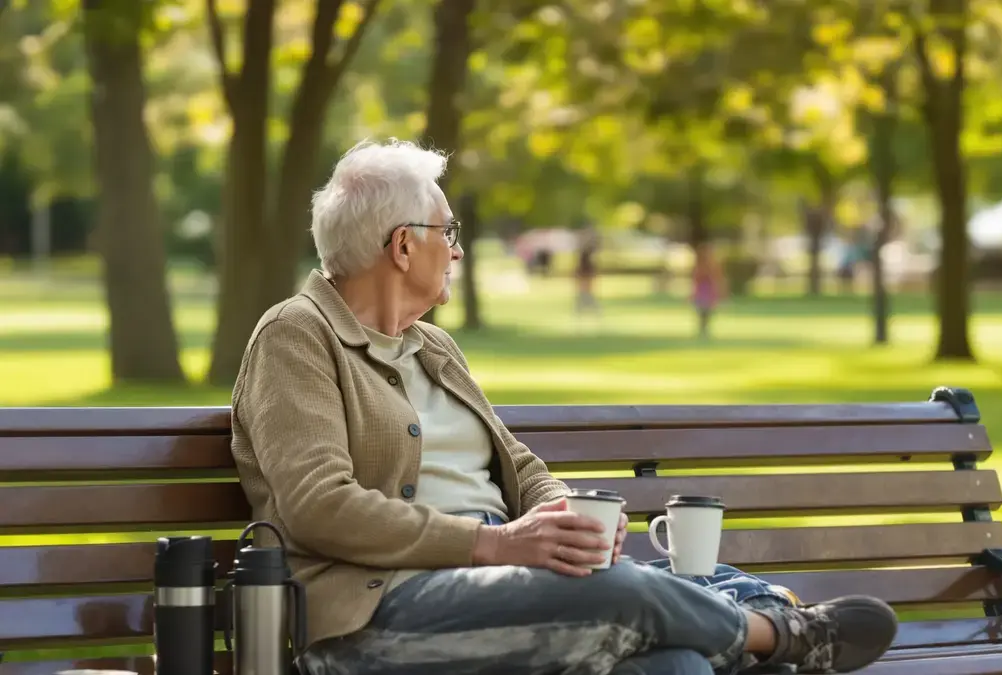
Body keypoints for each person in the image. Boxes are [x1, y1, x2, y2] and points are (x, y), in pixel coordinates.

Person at [229, 138, 898, 675]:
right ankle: (777, 633)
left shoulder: (431, 346)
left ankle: (724, 621)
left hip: (503, 588)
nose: (457, 248)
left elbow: (518, 464)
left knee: (677, 660)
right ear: (404, 245)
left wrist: (563, 518)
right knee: (625, 594)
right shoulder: (297, 335)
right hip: (369, 619)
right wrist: (492, 542)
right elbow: (317, 505)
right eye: (448, 231)